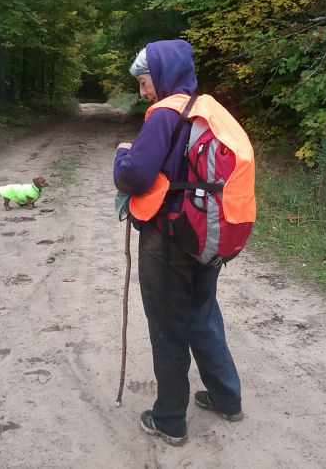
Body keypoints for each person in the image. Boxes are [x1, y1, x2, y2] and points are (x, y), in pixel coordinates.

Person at [113, 39, 252, 446]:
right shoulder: (209, 110)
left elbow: (134, 177)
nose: (143, 92)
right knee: (202, 314)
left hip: (168, 238)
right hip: (209, 233)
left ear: (161, 74)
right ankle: (227, 398)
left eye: (144, 82)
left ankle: (170, 419)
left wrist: (122, 155)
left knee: (168, 326)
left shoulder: (163, 114)